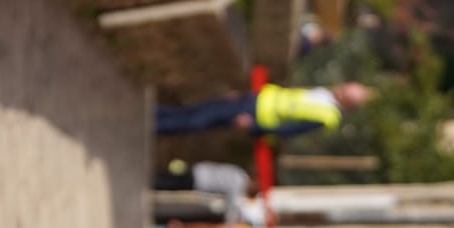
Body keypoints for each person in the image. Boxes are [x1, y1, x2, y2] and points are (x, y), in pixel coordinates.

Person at [155, 82, 373, 140]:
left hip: (254, 114)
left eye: (345, 91)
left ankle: (156, 125)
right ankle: (154, 116)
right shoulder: (324, 94)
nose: (340, 88)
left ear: (347, 102)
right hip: (254, 100)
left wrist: (254, 126)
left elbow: (289, 129)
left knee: (200, 120)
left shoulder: (327, 116)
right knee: (200, 110)